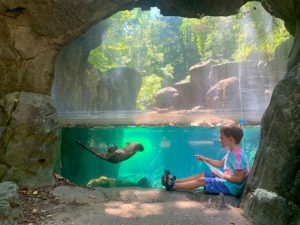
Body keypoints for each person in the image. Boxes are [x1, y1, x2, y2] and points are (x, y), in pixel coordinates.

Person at [161, 123, 249, 196]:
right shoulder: (231, 152)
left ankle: (173, 186)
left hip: (231, 188)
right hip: (227, 182)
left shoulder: (238, 156)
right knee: (202, 174)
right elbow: (220, 163)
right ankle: (175, 180)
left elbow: (239, 179)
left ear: (231, 140)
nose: (219, 140)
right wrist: (205, 159)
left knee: (202, 180)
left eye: (222, 138)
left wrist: (221, 175)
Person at [76, 141, 144, 164]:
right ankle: (113, 151)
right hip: (114, 156)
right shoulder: (134, 144)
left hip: (115, 158)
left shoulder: (132, 152)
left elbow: (127, 155)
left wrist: (119, 152)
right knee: (113, 148)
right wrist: (129, 143)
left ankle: (113, 152)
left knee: (106, 155)